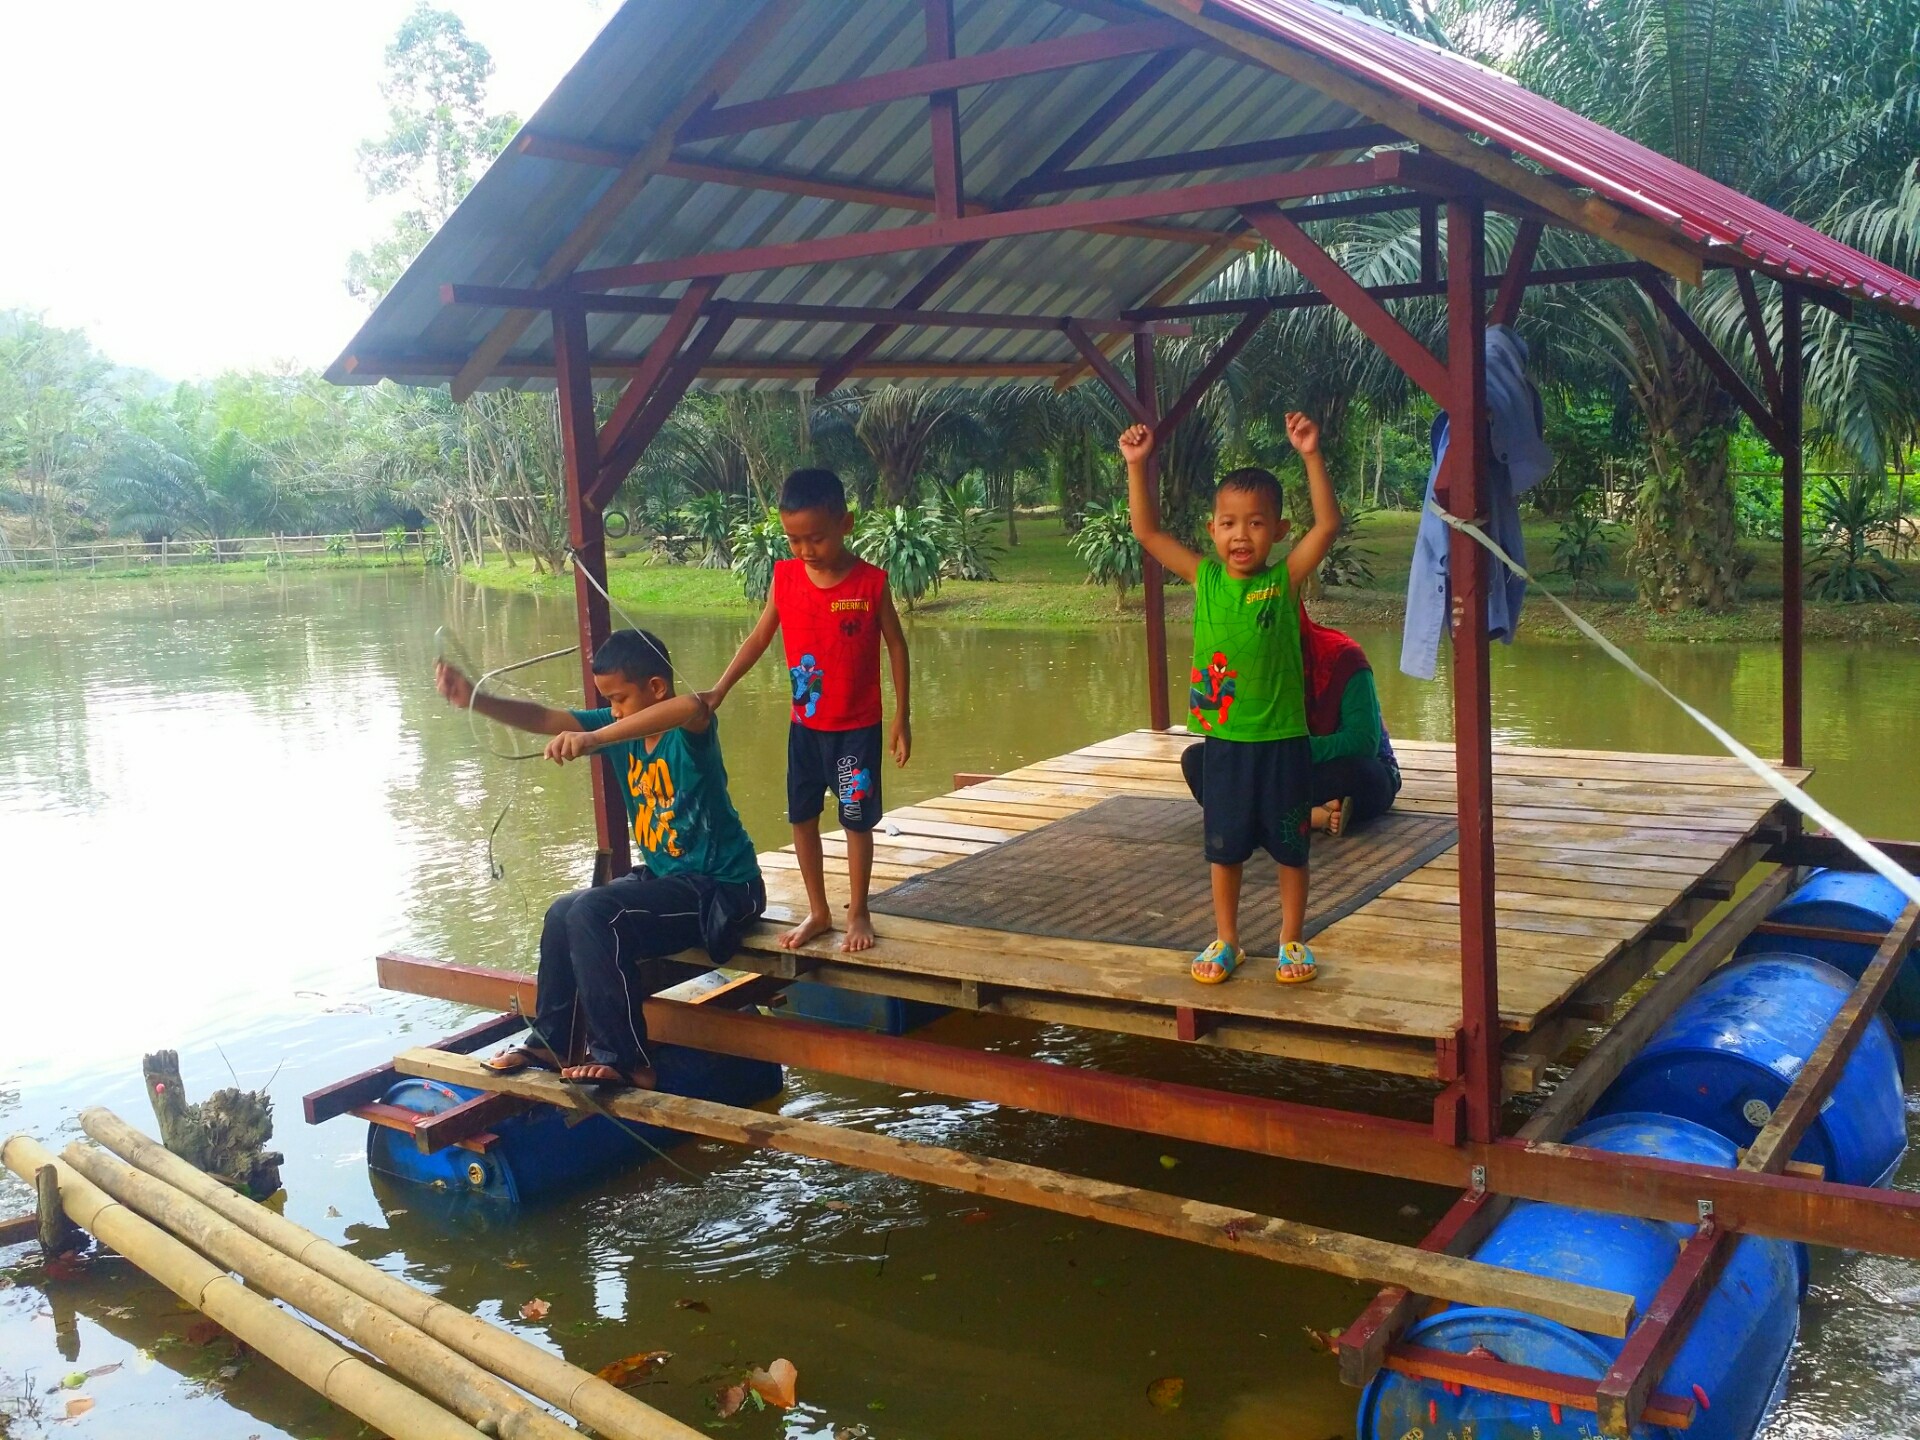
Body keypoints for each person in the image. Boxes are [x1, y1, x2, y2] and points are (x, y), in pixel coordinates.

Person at [434, 627, 764, 1091]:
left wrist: (593, 739)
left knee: (595, 911)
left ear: (656, 688)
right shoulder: (619, 728)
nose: (612, 710)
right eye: (606, 701)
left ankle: (627, 1059)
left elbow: (694, 706)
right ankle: (554, 1042)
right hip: (671, 881)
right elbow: (543, 717)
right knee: (565, 910)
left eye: (620, 698)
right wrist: (477, 699)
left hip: (725, 892)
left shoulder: (687, 735)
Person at [1121, 415, 1340, 987]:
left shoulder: (1283, 579)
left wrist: (1311, 455)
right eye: (1229, 524)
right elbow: (1147, 533)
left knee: (1292, 849)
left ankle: (1292, 939)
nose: (1241, 535)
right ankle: (1229, 940)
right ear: (1212, 530)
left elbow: (1329, 525)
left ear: (1279, 530)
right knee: (1224, 850)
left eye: (1256, 524)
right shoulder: (1205, 578)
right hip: (1224, 742)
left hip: (1283, 740)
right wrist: (1137, 466)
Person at [703, 468, 911, 953]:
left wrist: (902, 715)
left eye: (815, 537)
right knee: (801, 817)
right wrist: (719, 689)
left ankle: (858, 910)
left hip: (857, 728)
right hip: (804, 728)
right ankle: (818, 910)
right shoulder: (786, 577)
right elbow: (759, 638)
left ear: (846, 523)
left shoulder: (870, 583)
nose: (804, 550)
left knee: (856, 820)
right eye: (794, 539)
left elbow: (896, 646)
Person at [1181, 606, 1401, 836]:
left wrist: (1289, 751)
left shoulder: (1344, 657)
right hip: (1276, 769)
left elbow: (1362, 742)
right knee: (1198, 760)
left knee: (1364, 775)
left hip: (1328, 766)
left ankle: (1258, 816)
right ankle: (1310, 817)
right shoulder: (1248, 664)